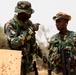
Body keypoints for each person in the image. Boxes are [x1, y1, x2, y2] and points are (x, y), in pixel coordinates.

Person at [4, 1, 47, 75]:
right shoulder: (10, 25)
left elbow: (32, 43)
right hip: (15, 65)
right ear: (21, 13)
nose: (30, 15)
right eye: (28, 13)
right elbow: (13, 43)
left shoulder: (28, 23)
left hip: (29, 65)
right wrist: (30, 31)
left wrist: (42, 54)